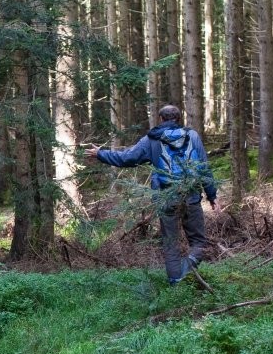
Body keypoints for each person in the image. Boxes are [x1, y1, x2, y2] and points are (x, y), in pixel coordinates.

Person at [85, 104, 221, 285]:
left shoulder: (152, 140)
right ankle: (187, 271)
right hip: (191, 196)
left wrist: (100, 154)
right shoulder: (192, 136)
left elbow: (127, 158)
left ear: (161, 119)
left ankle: (177, 281)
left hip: (166, 198)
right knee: (199, 243)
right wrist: (212, 196)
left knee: (170, 243)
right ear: (179, 119)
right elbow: (204, 167)